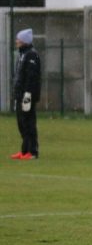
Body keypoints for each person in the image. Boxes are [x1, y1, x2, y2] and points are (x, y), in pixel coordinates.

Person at [11, 28, 41, 160]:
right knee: (21, 123)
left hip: (27, 95)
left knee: (29, 123)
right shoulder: (22, 54)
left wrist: (28, 94)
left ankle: (32, 151)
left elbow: (31, 77)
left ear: (24, 41)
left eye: (19, 39)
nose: (16, 41)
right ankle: (24, 150)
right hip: (20, 95)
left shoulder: (31, 55)